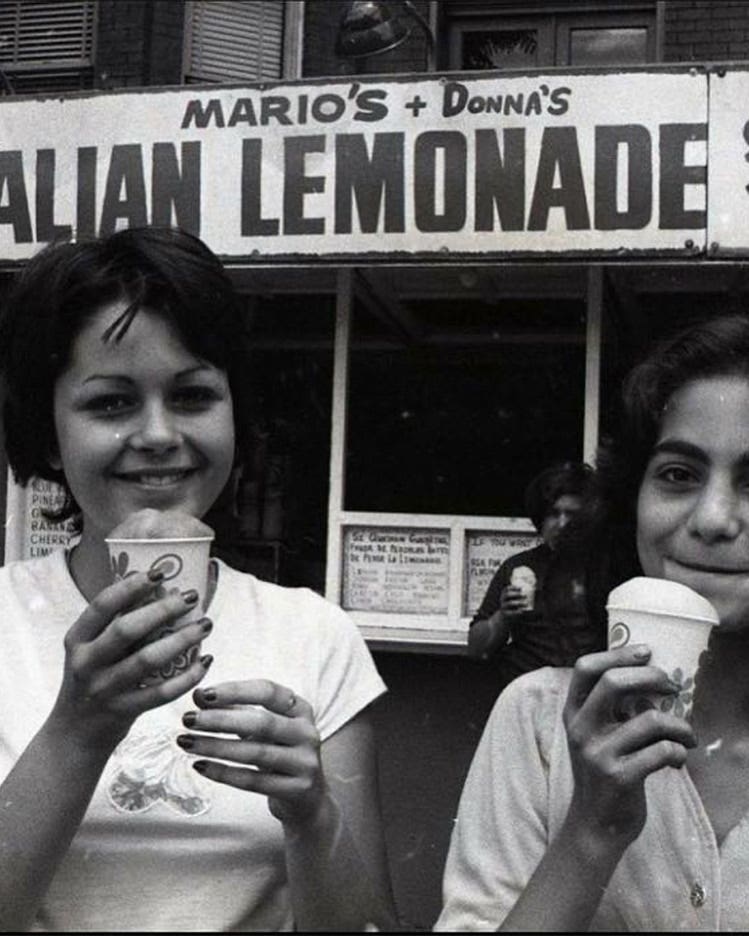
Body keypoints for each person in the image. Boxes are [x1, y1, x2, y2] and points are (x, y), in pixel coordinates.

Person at [0, 227, 395, 932]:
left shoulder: (315, 634)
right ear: (50, 435)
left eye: (192, 396)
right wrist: (76, 732)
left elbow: (367, 927)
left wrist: (312, 814)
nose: (158, 434)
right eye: (111, 403)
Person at [438, 312, 749, 931]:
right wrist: (592, 829)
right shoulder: (535, 722)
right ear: (631, 501)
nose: (713, 519)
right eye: (678, 475)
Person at [467, 462, 601, 689]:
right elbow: (476, 649)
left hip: (588, 692)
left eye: (572, 514)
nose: (562, 524)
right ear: (540, 518)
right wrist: (503, 616)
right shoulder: (518, 566)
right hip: (527, 690)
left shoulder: (607, 568)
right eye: (553, 514)